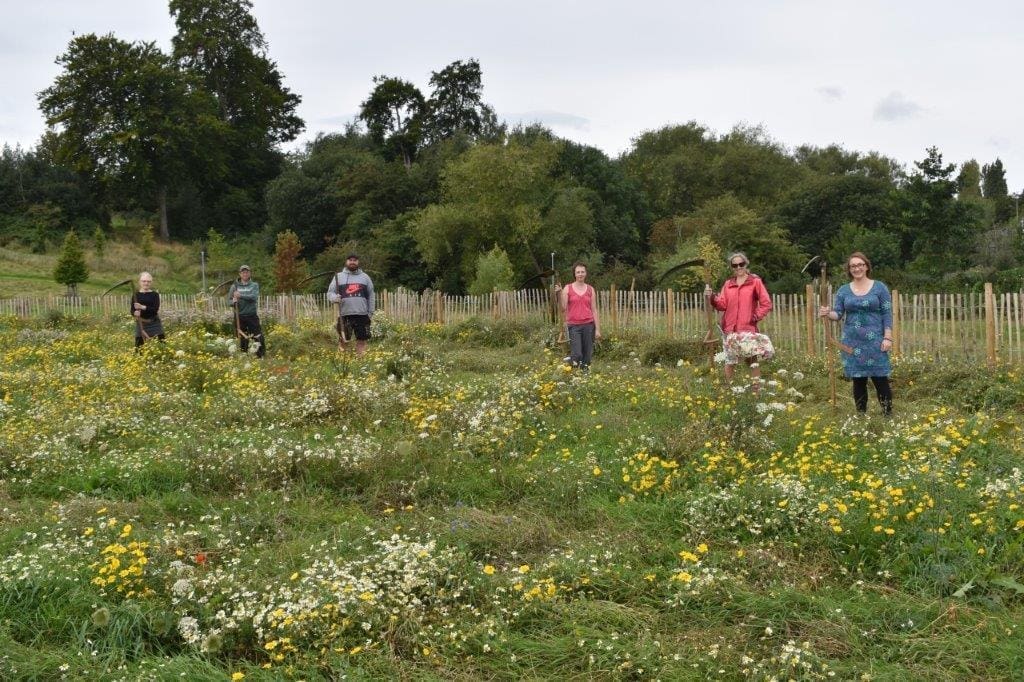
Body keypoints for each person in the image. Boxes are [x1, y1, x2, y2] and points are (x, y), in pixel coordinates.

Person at [819, 252, 893, 415]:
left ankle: (888, 415)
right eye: (853, 266)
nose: (857, 268)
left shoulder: (880, 288)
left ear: (866, 266)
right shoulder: (844, 291)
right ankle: (861, 416)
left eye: (860, 265)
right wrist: (827, 312)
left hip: (876, 340)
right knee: (858, 380)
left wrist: (888, 337)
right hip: (852, 341)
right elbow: (837, 314)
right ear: (849, 269)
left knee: (880, 378)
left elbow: (887, 313)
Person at [705, 252, 773, 383]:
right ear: (732, 267)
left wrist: (755, 316)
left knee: (751, 360)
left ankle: (756, 390)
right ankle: (730, 391)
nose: (738, 268)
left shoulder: (755, 282)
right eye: (734, 265)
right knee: (730, 361)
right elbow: (722, 304)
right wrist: (712, 297)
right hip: (730, 329)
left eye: (741, 264)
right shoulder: (728, 284)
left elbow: (766, 303)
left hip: (747, 329)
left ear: (746, 264)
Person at [327, 253, 375, 354]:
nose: (352, 262)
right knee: (343, 340)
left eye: (355, 260)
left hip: (362, 314)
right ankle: (342, 362)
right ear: (346, 262)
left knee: (361, 340)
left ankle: (361, 364)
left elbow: (371, 295)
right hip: (344, 314)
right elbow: (330, 293)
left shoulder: (365, 277)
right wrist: (335, 298)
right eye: (350, 260)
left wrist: (370, 313)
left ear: (358, 262)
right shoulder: (338, 277)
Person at [557, 262, 602, 369]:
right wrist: (559, 293)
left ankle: (583, 377)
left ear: (586, 273)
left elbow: (594, 310)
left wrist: (598, 330)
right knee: (577, 354)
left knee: (587, 356)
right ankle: (571, 360)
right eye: (578, 272)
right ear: (574, 274)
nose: (580, 274)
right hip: (573, 326)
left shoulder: (591, 289)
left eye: (582, 272)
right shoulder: (567, 288)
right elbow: (563, 308)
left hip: (589, 325)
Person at [227, 265, 265, 358]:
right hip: (239, 315)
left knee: (257, 335)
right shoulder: (234, 287)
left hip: (251, 315)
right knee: (242, 337)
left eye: (247, 272)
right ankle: (244, 355)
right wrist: (233, 302)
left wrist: (241, 296)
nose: (245, 274)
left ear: (250, 273)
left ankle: (260, 355)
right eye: (243, 272)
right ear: (240, 274)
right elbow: (228, 301)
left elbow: (254, 298)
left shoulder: (254, 285)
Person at [131, 271, 164, 348]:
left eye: (148, 281)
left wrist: (142, 307)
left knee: (162, 346)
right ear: (139, 282)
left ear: (151, 282)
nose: (146, 283)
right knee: (139, 348)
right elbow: (132, 310)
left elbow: (155, 309)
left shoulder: (155, 295)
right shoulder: (136, 295)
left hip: (154, 323)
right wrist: (135, 313)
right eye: (144, 281)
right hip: (141, 323)